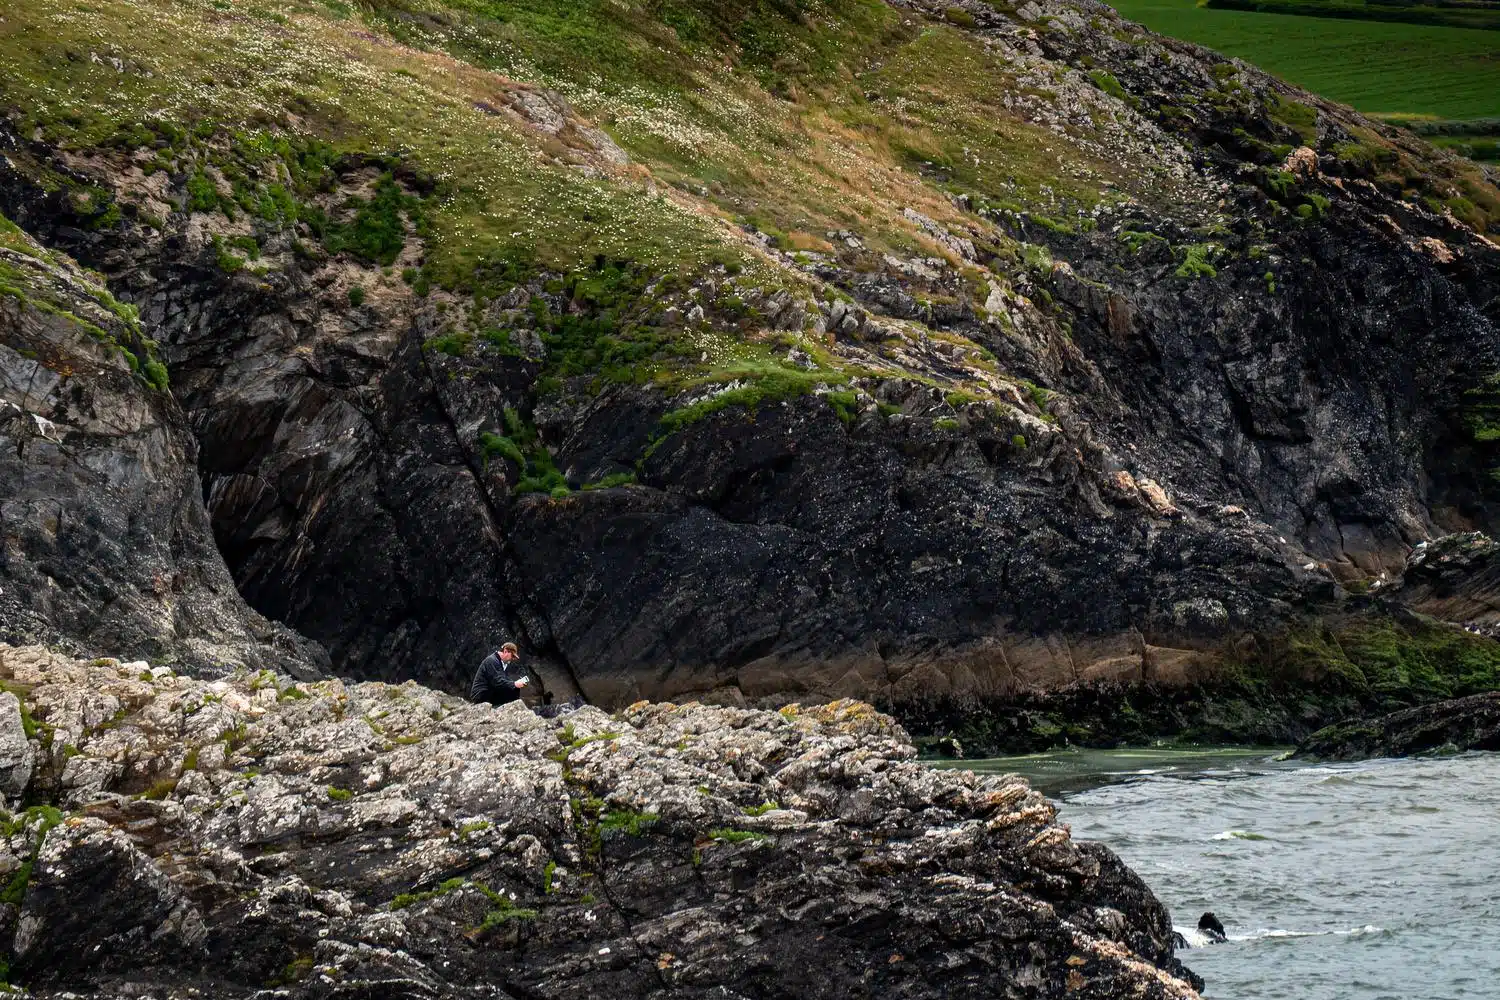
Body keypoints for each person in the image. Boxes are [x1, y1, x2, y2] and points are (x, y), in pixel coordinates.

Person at [470, 642, 531, 706]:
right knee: (512, 688)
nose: (513, 659)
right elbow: (497, 682)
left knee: (514, 689)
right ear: (505, 651)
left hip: (488, 691)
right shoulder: (492, 660)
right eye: (512, 656)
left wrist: (516, 683)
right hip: (480, 694)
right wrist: (514, 684)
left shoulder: (499, 662)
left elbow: (503, 680)